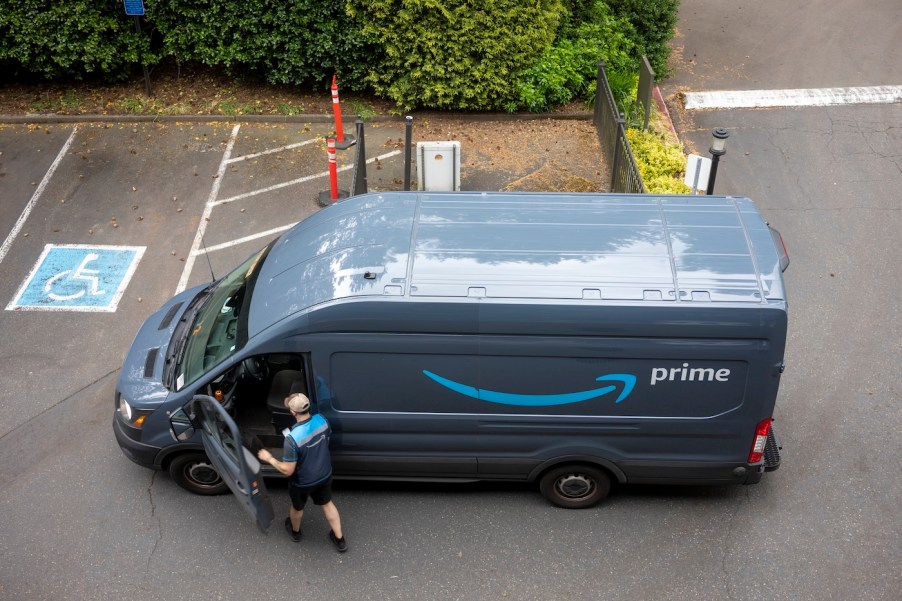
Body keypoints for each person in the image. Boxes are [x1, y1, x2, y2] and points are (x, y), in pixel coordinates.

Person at [257, 392, 348, 552]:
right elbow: (326, 439)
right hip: (324, 474)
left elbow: (287, 470)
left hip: (303, 482)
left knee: (297, 507)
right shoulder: (322, 421)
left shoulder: (292, 439)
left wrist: (269, 458)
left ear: (292, 412)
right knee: (327, 504)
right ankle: (340, 540)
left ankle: (296, 532)